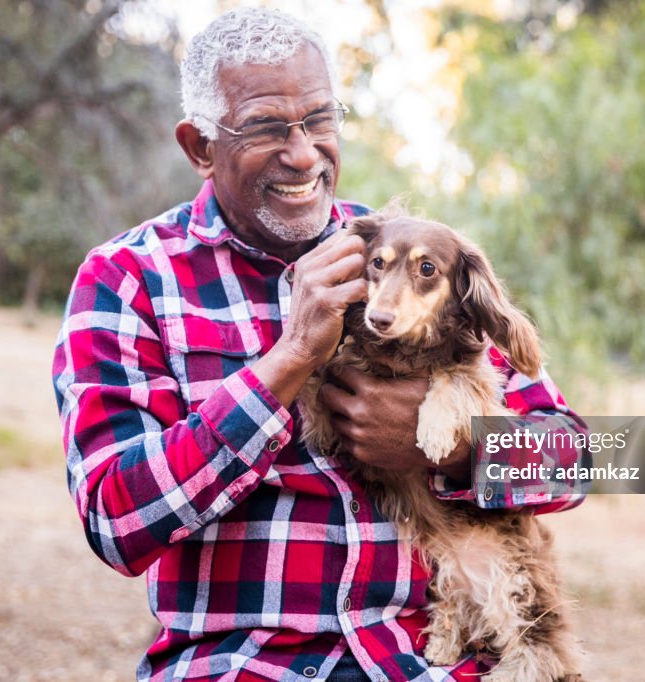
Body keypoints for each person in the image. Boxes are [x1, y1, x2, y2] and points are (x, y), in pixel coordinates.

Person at [52, 7, 588, 682]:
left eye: (319, 119)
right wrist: (290, 359)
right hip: (245, 665)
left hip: (433, 659)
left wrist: (455, 450)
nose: (303, 153)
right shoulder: (129, 279)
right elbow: (115, 520)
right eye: (265, 127)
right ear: (200, 147)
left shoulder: (407, 259)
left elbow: (584, 460)